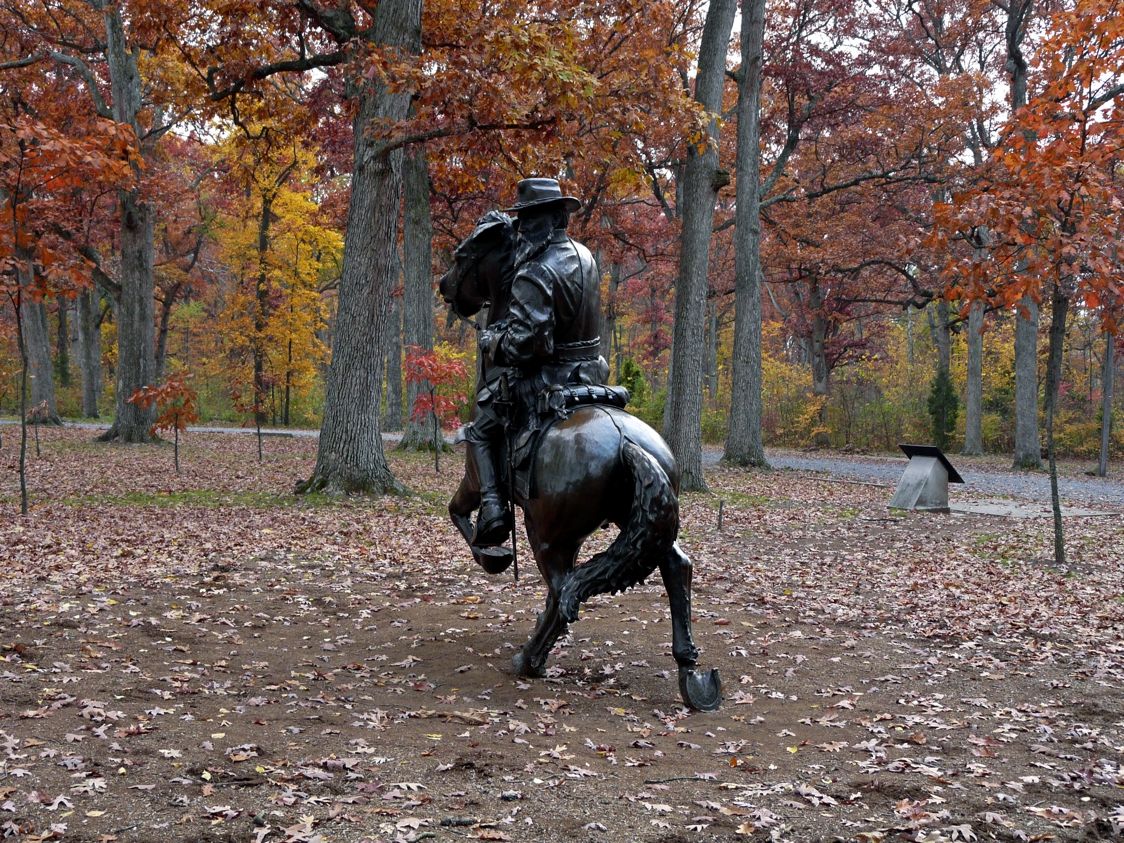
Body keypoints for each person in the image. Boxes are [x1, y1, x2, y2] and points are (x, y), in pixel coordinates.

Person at [462, 178, 607, 547]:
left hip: (547, 380)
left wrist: (494, 341)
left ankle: (493, 509)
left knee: (481, 425)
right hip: (592, 373)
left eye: (529, 219)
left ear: (550, 219)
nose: (522, 229)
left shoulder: (536, 269)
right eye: (521, 220)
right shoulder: (586, 257)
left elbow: (532, 345)